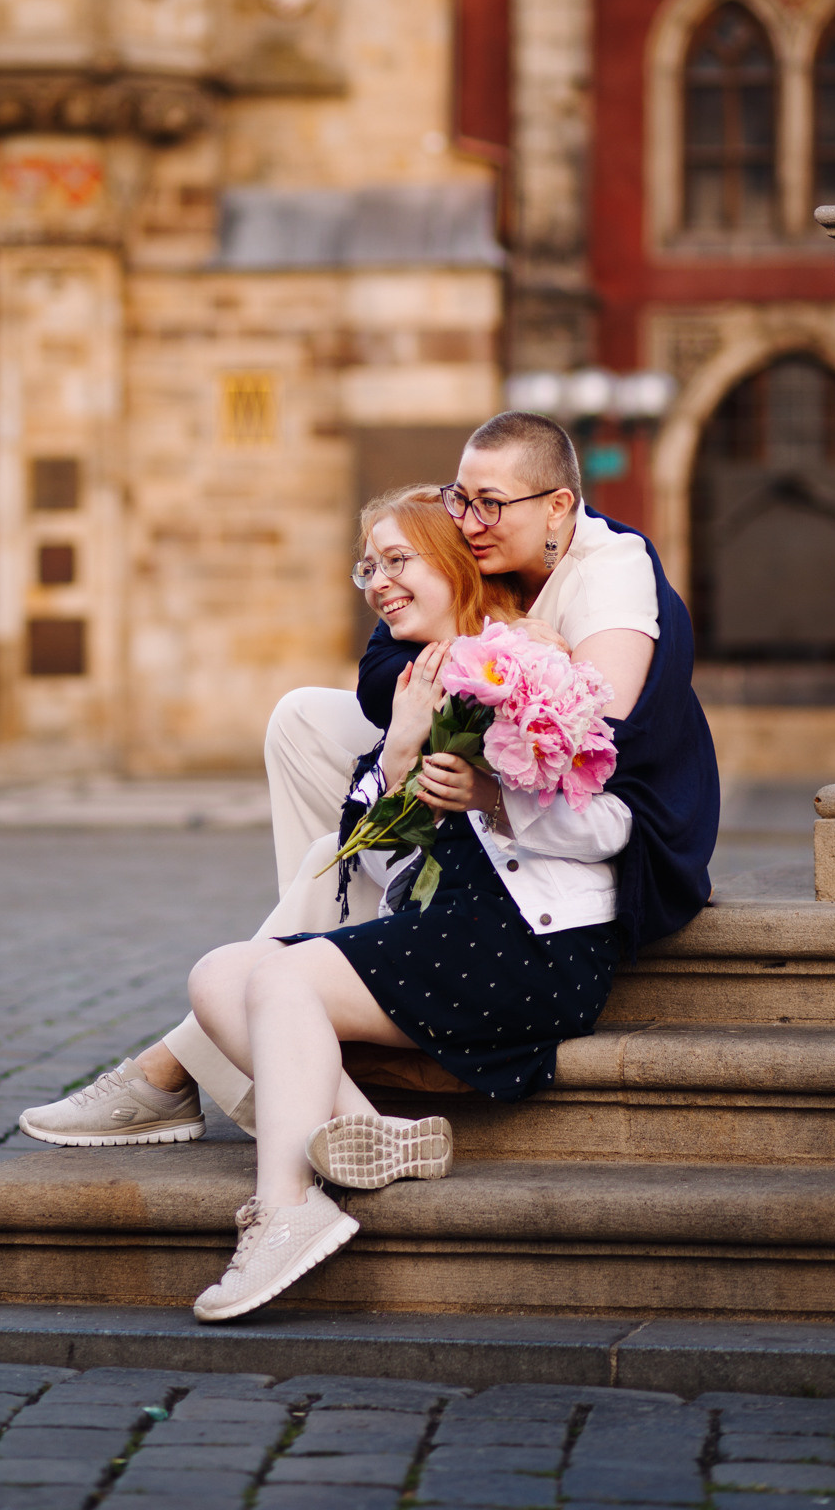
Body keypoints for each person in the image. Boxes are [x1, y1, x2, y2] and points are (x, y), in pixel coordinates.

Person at [18, 411, 717, 1145]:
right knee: (301, 725)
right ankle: (335, 956)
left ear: (556, 506)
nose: (468, 519)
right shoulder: (475, 543)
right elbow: (378, 673)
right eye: (459, 496)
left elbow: (593, 735)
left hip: (622, 824)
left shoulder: (609, 570)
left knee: (328, 866)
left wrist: (498, 664)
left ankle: (198, 1059)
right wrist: (450, 673)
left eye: (489, 502)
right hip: (493, 779)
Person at [182, 486, 641, 1321]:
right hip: (442, 927)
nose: (376, 582)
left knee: (282, 981)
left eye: (397, 561)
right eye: (369, 565)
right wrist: (399, 742)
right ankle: (372, 1131)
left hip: (527, 943)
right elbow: (370, 838)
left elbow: (610, 827)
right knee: (218, 975)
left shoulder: (530, 661)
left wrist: (491, 797)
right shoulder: (413, 677)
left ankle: (286, 1209)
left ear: (450, 562)